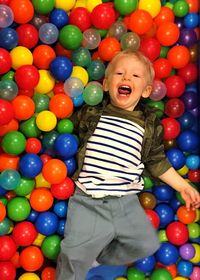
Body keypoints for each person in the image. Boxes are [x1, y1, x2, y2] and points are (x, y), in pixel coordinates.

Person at [56, 50, 200, 280]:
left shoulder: (147, 125)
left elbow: (157, 162)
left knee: (145, 244)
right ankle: (80, 261)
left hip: (124, 202)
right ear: (105, 84)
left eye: (135, 76)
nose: (126, 79)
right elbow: (65, 125)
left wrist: (183, 186)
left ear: (145, 91)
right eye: (120, 73)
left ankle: (98, 258)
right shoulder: (94, 113)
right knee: (72, 254)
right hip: (87, 197)